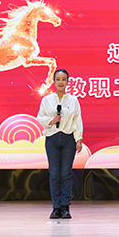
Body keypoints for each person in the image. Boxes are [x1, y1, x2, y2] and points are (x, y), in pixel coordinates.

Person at [37, 69, 84, 219]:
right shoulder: (47, 100)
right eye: (58, 79)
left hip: (68, 138)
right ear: (54, 81)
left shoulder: (73, 100)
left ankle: (65, 207)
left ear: (68, 82)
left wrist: (79, 139)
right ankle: (56, 207)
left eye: (64, 79)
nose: (61, 82)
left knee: (66, 173)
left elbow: (77, 120)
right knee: (54, 173)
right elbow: (40, 117)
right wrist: (51, 121)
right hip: (52, 138)